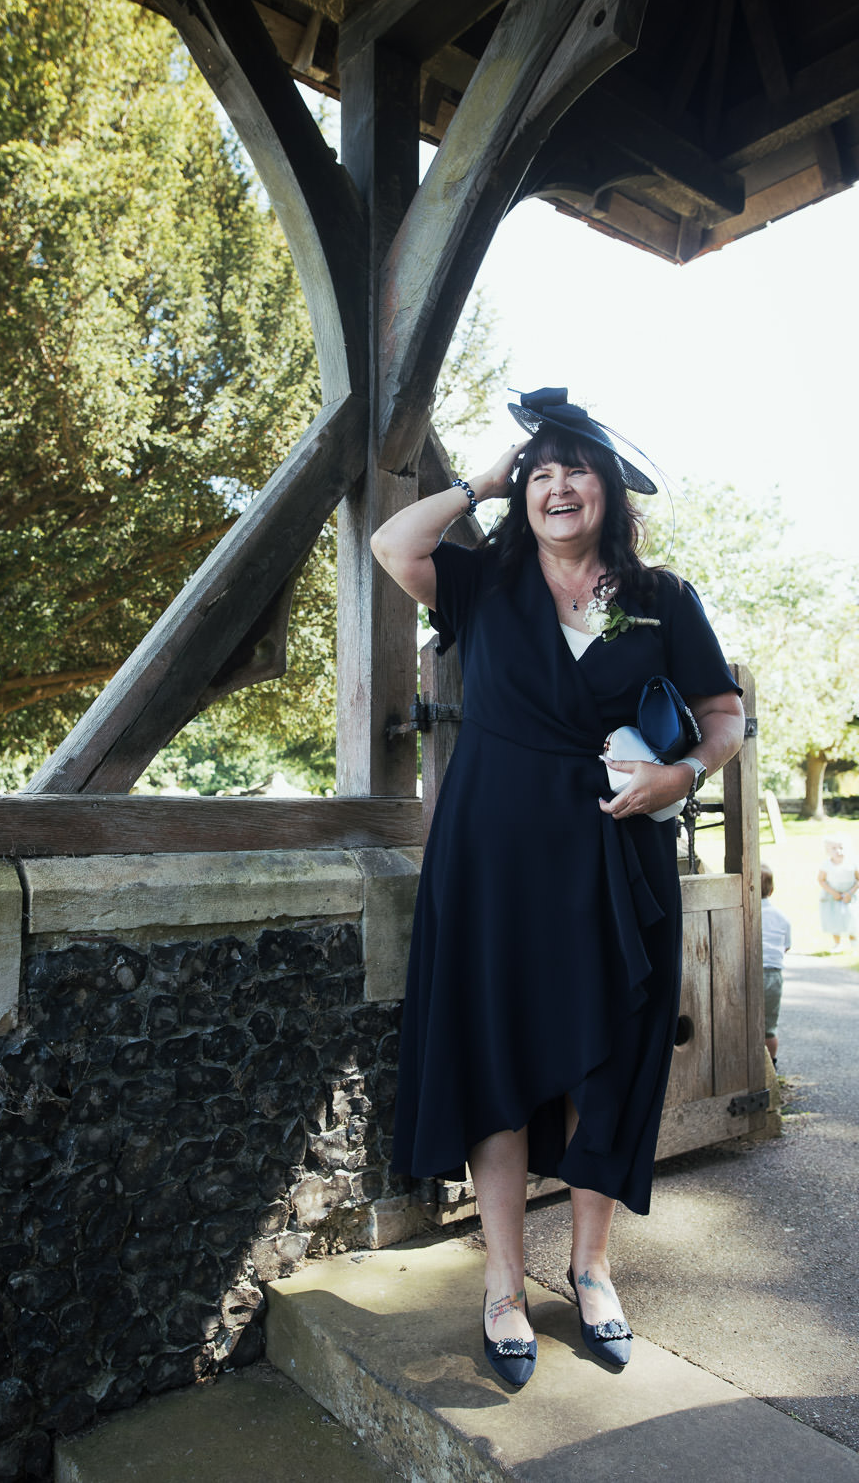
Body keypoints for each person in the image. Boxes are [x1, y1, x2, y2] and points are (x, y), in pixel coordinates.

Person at [371, 387, 744, 1388]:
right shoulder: (482, 582)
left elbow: (721, 713)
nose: (557, 483)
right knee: (496, 1066)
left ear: (608, 488)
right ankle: (501, 1282)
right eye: (539, 471)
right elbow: (389, 545)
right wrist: (477, 482)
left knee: (606, 1071)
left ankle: (590, 1268)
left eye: (575, 466)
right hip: (492, 864)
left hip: (617, 865)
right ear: (519, 491)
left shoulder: (662, 597)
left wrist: (684, 775)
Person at [760, 864, 791, 1064]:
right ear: (772, 890)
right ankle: (771, 1066)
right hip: (772, 974)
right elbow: (786, 946)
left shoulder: (744, 913)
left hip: (748, 972)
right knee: (770, 1026)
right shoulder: (782, 918)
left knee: (743, 1021)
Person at [817, 838, 859, 948]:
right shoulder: (826, 864)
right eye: (834, 848)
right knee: (834, 919)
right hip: (833, 895)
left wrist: (850, 893)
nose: (838, 851)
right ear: (828, 851)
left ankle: (854, 943)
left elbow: (858, 879)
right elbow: (821, 880)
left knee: (852, 918)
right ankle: (837, 943)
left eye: (841, 848)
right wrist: (833, 893)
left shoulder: (853, 863)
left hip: (850, 894)